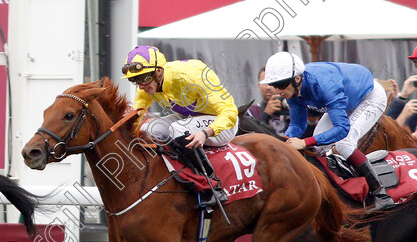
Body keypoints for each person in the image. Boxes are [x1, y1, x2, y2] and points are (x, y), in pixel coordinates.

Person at [261, 51, 394, 211]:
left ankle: (381, 194)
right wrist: (283, 142)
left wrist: (304, 142)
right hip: (344, 100)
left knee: (344, 143)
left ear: (297, 79)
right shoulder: (294, 90)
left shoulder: (324, 85)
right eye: (274, 85)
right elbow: (297, 125)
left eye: (281, 85)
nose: (278, 91)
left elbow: (342, 129)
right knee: (317, 148)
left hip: (369, 97)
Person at [122, 45, 238, 206]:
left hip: (221, 124)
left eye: (144, 79)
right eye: (134, 80)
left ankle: (211, 186)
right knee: (146, 129)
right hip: (189, 119)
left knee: (177, 129)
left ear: (158, 72)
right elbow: (138, 112)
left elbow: (230, 112)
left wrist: (205, 133)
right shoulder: (148, 82)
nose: (140, 85)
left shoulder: (192, 76)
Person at [248, 66, 289, 135]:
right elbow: (253, 137)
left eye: (271, 83)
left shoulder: (291, 106)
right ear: (259, 85)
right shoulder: (252, 111)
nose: (268, 87)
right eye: (264, 83)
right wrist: (266, 114)